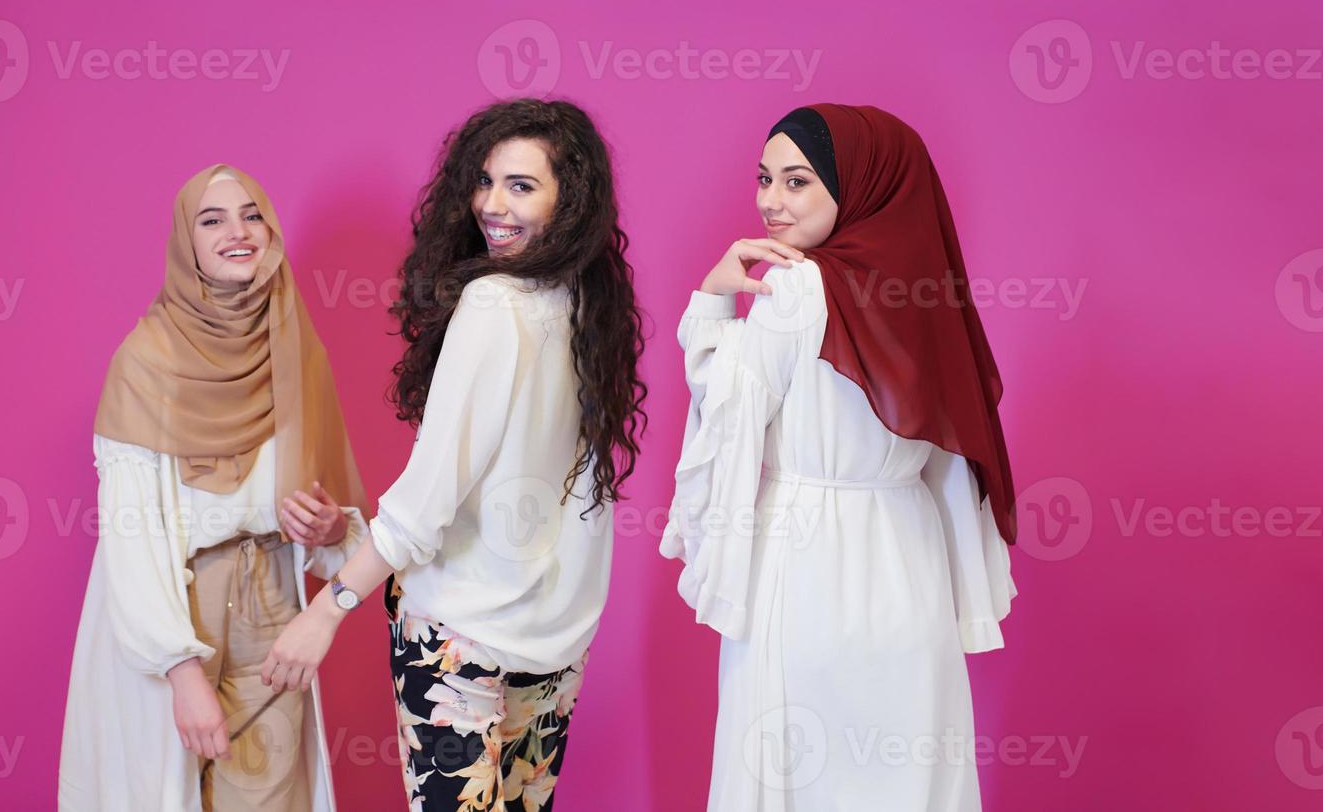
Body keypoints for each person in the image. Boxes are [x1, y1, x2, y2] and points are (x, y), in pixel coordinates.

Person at [261, 98, 647, 811]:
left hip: (459, 642)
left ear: (572, 199)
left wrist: (330, 608)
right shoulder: (591, 307)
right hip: (554, 642)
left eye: (522, 186)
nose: (491, 206)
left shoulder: (495, 304)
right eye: (485, 180)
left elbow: (428, 503)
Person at [661, 104, 1018, 810]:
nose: (770, 201)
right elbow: (952, 458)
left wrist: (708, 301)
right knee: (907, 776)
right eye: (765, 178)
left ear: (853, 186)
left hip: (804, 567)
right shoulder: (929, 296)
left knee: (791, 773)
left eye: (797, 182)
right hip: (911, 576)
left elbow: (731, 410)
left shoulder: (795, 286)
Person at [58, 165, 368, 811]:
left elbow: (335, 519)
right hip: (176, 612)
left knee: (271, 798)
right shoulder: (146, 361)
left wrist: (332, 530)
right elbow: (130, 537)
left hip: (275, 607)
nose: (238, 231)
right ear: (186, 243)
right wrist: (180, 671)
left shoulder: (294, 350)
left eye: (253, 214)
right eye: (213, 219)